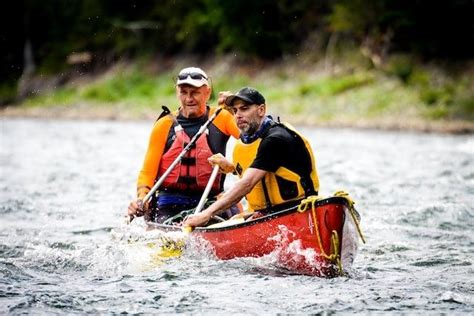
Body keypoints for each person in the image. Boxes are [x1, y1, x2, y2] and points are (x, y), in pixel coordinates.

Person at [183, 87, 320, 227]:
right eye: (235, 111)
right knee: (231, 219)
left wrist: (206, 214)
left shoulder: (276, 139)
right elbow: (262, 168)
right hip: (268, 214)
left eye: (244, 108)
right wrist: (231, 167)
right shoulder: (250, 138)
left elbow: (247, 183)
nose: (238, 115)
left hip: (298, 211)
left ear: (261, 110)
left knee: (211, 218)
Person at [128, 67, 240, 223]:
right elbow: (147, 172)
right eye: (184, 92)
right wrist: (141, 198)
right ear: (177, 93)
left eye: (195, 92)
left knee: (232, 215)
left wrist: (238, 110)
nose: (189, 98)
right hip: (170, 201)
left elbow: (252, 140)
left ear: (207, 92)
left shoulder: (223, 118)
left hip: (211, 201)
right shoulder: (164, 125)